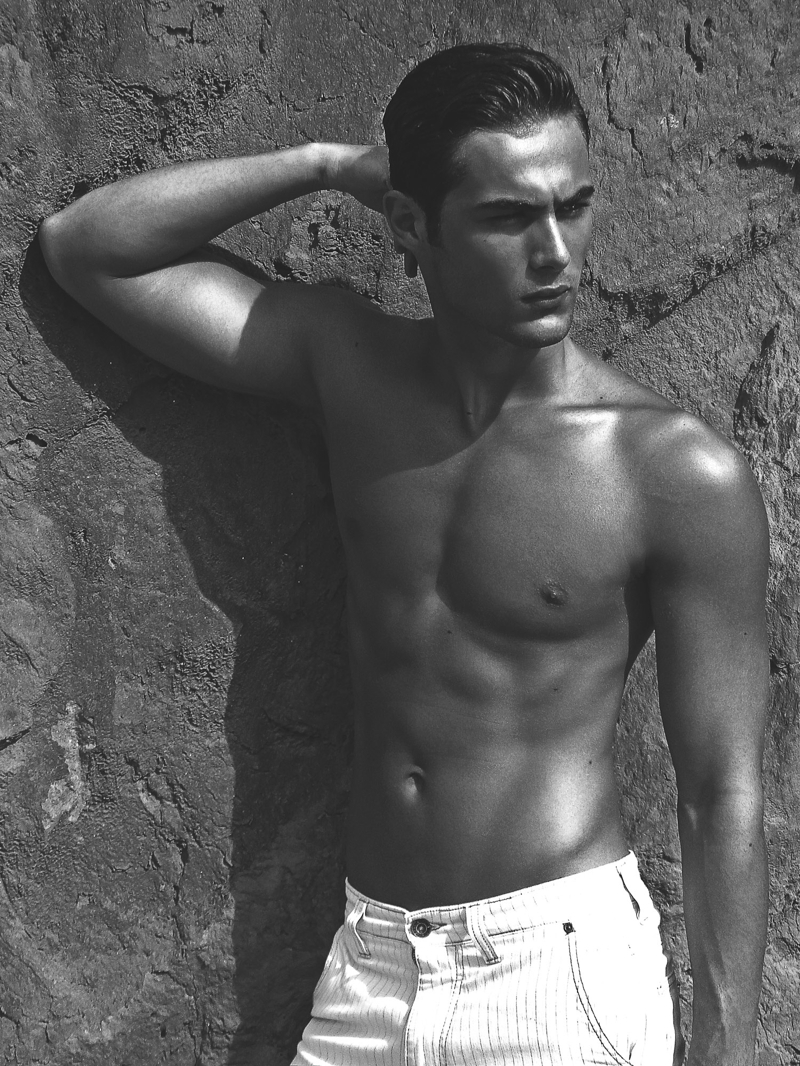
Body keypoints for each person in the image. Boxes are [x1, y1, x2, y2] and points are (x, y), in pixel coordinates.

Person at [39, 42, 768, 1066]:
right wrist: (326, 164)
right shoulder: (351, 366)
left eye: (573, 206)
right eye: (508, 217)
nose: (555, 253)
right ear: (410, 228)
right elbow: (87, 248)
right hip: (371, 970)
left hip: (557, 976)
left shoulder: (672, 472)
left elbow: (720, 789)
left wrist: (727, 1049)